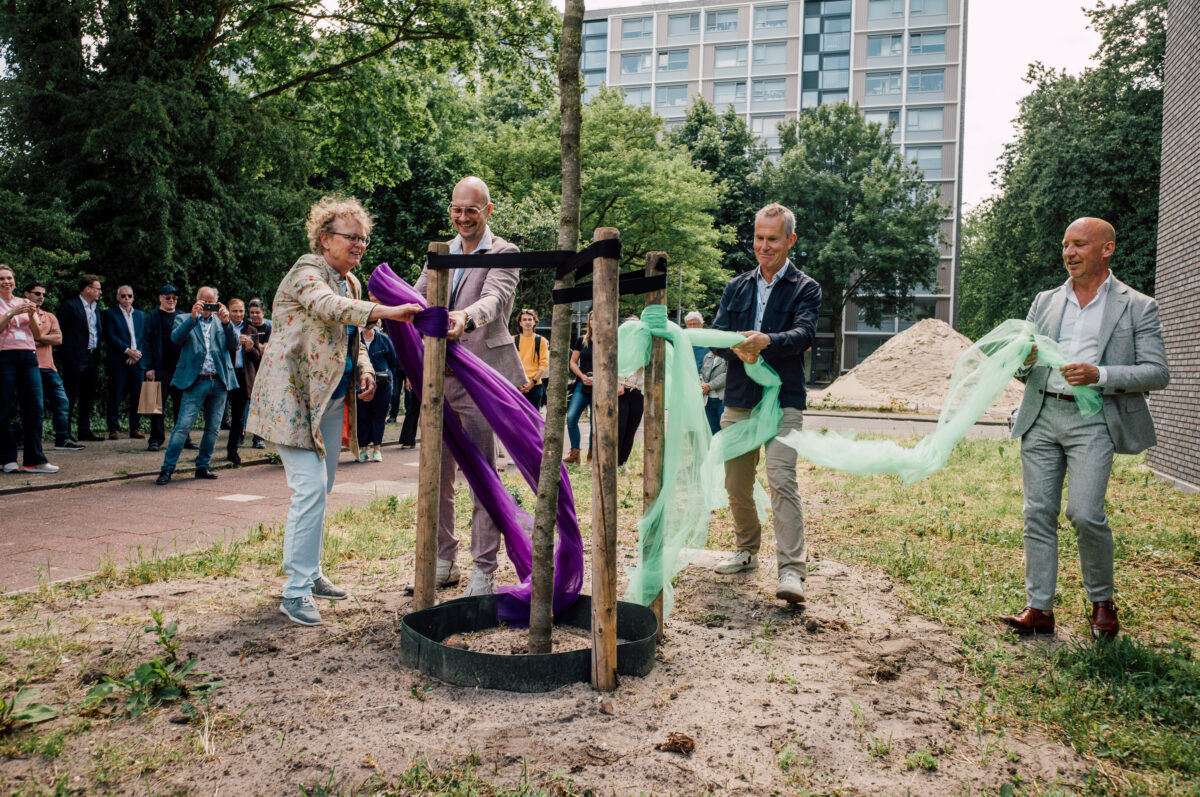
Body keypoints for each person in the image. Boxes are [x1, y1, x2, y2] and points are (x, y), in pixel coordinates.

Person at [247, 196, 419, 626]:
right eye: (350, 237)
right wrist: (386, 311)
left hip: (330, 400)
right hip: (293, 398)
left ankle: (312, 573)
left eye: (363, 238)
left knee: (318, 493)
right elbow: (328, 307)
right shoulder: (307, 272)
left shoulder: (353, 283)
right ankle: (295, 591)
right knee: (307, 490)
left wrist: (363, 368)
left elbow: (351, 339)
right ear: (325, 239)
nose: (359, 244)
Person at [1000, 217, 1169, 640]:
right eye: (1065, 245)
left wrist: (1099, 373)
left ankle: (1102, 602)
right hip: (1041, 416)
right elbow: (1023, 362)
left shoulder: (1137, 305)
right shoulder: (1045, 300)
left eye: (1078, 245)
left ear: (1106, 249)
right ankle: (1039, 609)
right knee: (1037, 513)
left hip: (1095, 420)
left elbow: (1157, 372)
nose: (1069, 253)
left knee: (1085, 513)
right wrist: (1026, 357)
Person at [413, 176, 525, 597]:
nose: (462, 217)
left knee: (481, 474)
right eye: (456, 209)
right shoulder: (440, 252)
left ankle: (483, 571)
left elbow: (494, 299)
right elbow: (419, 297)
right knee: (436, 474)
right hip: (437, 377)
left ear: (488, 211)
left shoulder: (504, 252)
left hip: (481, 376)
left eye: (471, 210)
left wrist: (465, 317)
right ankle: (443, 560)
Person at [711, 203, 821, 605]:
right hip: (740, 400)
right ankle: (746, 551)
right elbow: (717, 335)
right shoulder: (735, 287)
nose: (764, 246)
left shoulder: (806, 288)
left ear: (790, 240)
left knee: (781, 477)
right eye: (758, 237)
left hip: (784, 401)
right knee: (736, 483)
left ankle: (792, 571)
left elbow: (805, 334)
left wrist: (767, 343)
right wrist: (736, 349)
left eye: (772, 239)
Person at [154, 287, 238, 485]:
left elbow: (234, 345)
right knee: (182, 426)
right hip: (195, 381)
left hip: (218, 381)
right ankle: (167, 469)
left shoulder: (222, 322)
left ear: (217, 302)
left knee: (213, 429)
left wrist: (227, 322)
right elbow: (175, 339)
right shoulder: (184, 319)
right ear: (197, 300)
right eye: (204, 301)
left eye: (212, 302)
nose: (208, 306)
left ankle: (202, 466)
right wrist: (193, 318)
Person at [0, 265, 58, 473]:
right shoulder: (11, 306)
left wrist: (32, 315)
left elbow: (37, 334)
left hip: (28, 355)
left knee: (35, 407)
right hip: (4, 356)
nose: (6, 282)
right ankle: (8, 459)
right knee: (3, 407)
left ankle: (35, 459)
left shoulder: (24, 301)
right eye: (2, 278)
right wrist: (11, 313)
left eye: (9, 278)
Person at [24, 282, 81, 451]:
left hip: (49, 366)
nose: (41, 297)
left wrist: (38, 339)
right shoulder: (20, 316)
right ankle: (31, 442)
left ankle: (62, 439)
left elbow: (59, 340)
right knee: (34, 407)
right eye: (36, 293)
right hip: (29, 366)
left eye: (43, 294)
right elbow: (23, 341)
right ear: (26, 294)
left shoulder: (49, 316)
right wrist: (45, 338)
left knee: (62, 401)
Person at [56, 274, 104, 441]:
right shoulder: (70, 306)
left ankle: (84, 430)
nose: (100, 292)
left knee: (88, 396)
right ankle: (65, 432)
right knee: (70, 395)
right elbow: (58, 331)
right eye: (97, 288)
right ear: (87, 289)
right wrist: (66, 356)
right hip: (74, 358)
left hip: (91, 357)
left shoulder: (96, 308)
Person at [144, 285, 190, 452]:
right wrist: (148, 367)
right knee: (156, 405)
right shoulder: (152, 316)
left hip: (180, 368)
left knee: (183, 406)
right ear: (160, 298)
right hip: (159, 368)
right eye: (167, 297)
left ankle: (184, 439)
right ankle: (156, 439)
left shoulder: (183, 316)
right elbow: (146, 342)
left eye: (174, 298)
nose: (171, 300)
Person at [101, 285, 147, 440]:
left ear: (133, 297)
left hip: (137, 361)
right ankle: (113, 428)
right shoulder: (109, 314)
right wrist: (128, 351)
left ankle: (135, 427)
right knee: (115, 395)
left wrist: (137, 354)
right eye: (123, 296)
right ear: (117, 298)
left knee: (138, 395)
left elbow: (144, 337)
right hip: (119, 360)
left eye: (129, 296)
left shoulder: (141, 315)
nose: (126, 299)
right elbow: (110, 336)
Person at [224, 299, 265, 466]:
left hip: (243, 375)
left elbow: (257, 356)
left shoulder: (251, 329)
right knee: (220, 414)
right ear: (228, 311)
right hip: (226, 374)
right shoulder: (222, 327)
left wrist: (249, 348)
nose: (238, 314)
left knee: (238, 417)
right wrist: (235, 344)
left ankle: (232, 450)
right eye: (235, 311)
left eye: (241, 311)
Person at [356, 321, 401, 462]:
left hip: (382, 385)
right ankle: (363, 449)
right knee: (362, 416)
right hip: (361, 385)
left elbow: (393, 361)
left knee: (379, 416)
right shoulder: (356, 340)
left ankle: (377, 449)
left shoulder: (384, 339)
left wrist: (389, 379)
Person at [564, 311, 594, 465]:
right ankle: (575, 454)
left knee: (595, 423)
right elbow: (572, 362)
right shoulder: (582, 340)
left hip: (600, 385)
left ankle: (591, 457)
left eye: (597, 318)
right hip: (582, 383)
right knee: (571, 417)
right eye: (591, 318)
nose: (593, 321)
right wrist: (582, 376)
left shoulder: (609, 340)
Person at [245, 299, 272, 449]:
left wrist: (256, 346)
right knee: (245, 403)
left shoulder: (268, 328)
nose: (254, 316)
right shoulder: (246, 327)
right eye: (252, 313)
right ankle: (240, 435)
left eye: (257, 313)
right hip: (248, 368)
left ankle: (258, 437)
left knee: (261, 404)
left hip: (263, 369)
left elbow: (265, 348)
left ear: (263, 313)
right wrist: (259, 346)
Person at [513, 308, 549, 410]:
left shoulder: (541, 341)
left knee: (534, 420)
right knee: (517, 418)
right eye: (524, 320)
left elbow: (544, 364)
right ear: (520, 323)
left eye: (530, 319)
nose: (527, 322)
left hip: (535, 385)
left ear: (535, 322)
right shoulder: (513, 340)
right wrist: (518, 382)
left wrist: (532, 382)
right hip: (516, 385)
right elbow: (510, 364)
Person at [617, 365, 644, 468]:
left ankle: (623, 462)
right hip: (622, 391)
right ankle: (615, 460)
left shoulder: (643, 354)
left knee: (631, 430)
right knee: (620, 427)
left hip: (638, 392)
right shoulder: (621, 352)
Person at [699, 348, 728, 435]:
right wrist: (702, 385)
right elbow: (702, 373)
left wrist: (710, 386)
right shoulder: (708, 356)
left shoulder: (728, 356)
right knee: (713, 429)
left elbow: (727, 375)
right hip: (708, 400)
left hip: (722, 399)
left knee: (725, 429)